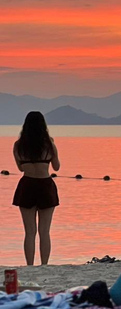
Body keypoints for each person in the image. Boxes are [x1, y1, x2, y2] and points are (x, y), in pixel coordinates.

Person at [12, 111, 60, 266]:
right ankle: (44, 264)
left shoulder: (18, 145)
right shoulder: (49, 143)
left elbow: (20, 168)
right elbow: (57, 167)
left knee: (29, 231)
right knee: (44, 231)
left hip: (27, 186)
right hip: (45, 184)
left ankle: (30, 265)